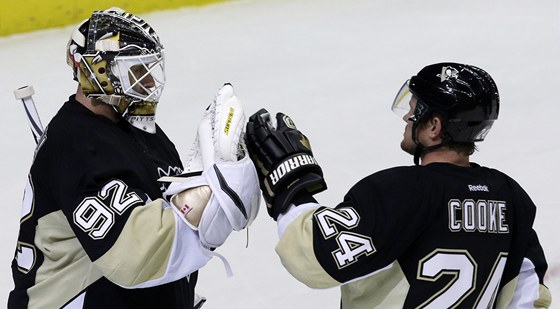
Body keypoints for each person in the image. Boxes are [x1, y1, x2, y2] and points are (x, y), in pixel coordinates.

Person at [8, 7, 260, 309]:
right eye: (137, 71)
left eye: (150, 70)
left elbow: (167, 216)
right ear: (98, 72)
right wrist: (218, 190)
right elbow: (134, 254)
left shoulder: (140, 133)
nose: (151, 83)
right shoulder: (76, 144)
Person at [245, 62, 552, 308]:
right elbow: (528, 297)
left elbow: (312, 257)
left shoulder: (405, 191)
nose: (407, 116)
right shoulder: (512, 199)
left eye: (416, 108)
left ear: (434, 127)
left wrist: (290, 181)